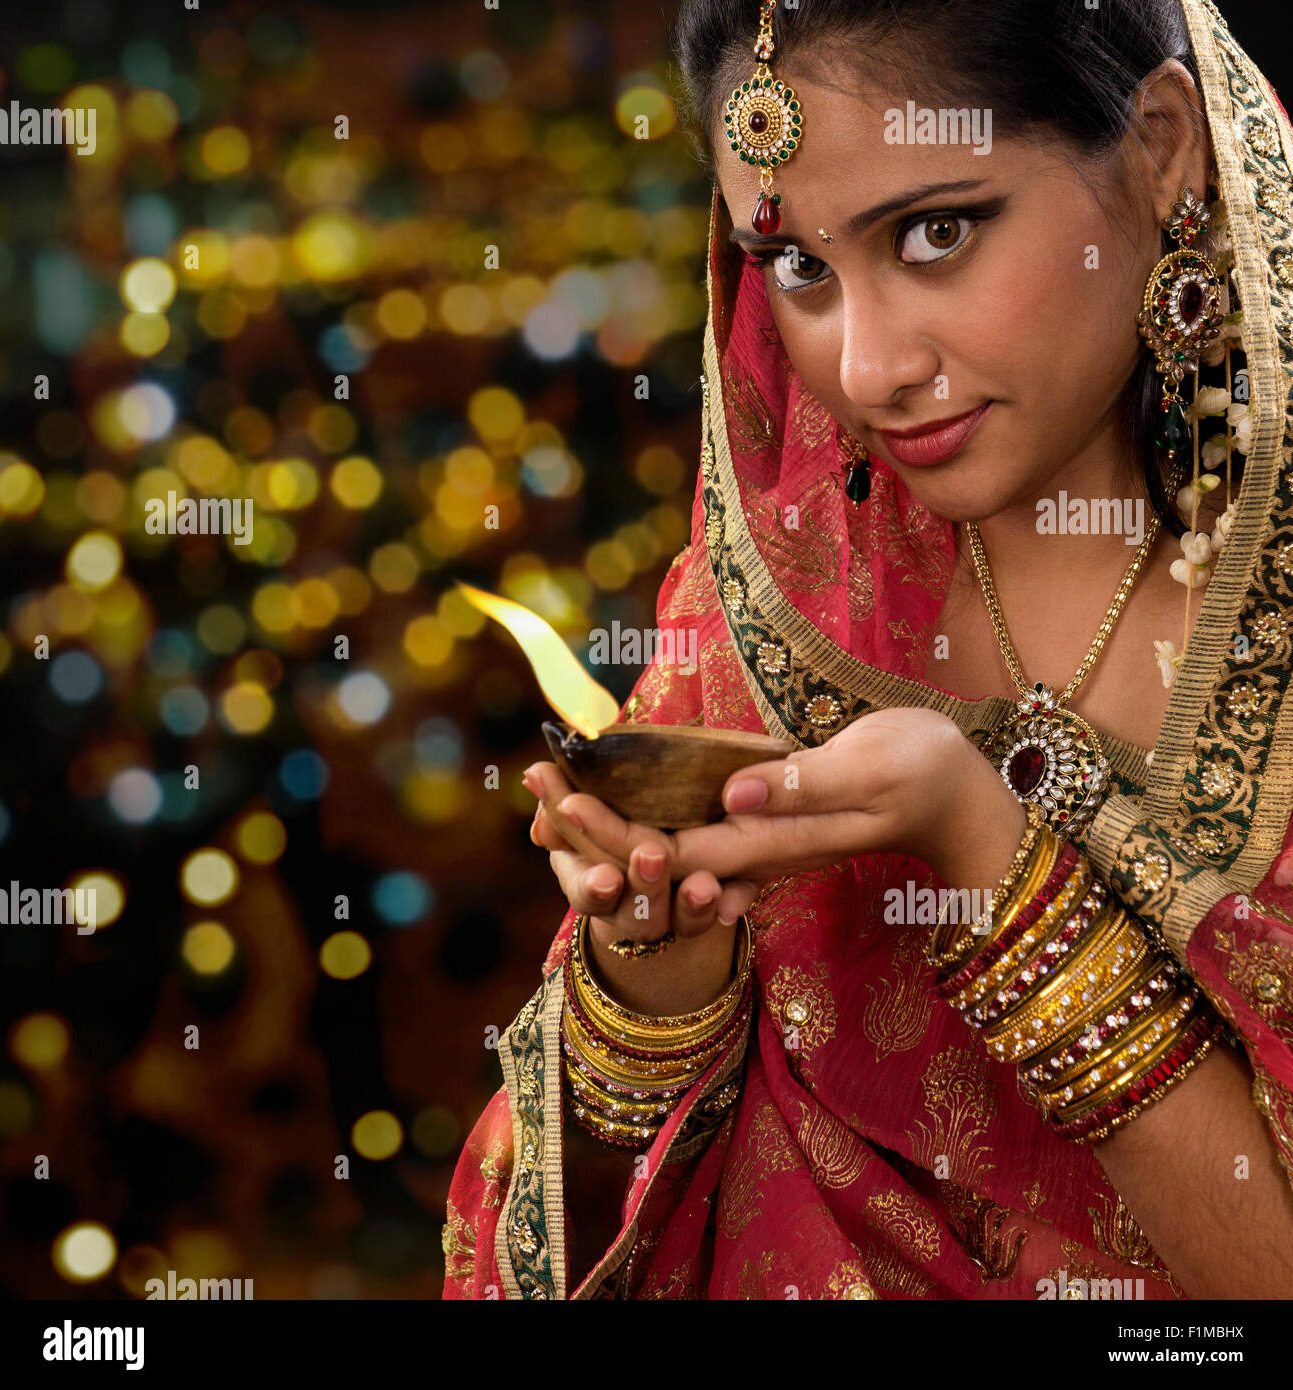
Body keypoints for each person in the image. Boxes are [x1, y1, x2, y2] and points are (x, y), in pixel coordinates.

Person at [442, 0, 1293, 1299]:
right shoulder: (777, 618)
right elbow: (583, 1216)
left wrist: (987, 859)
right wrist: (654, 976)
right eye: (796, 267)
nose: (869, 363)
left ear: (1163, 146)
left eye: (938, 231)